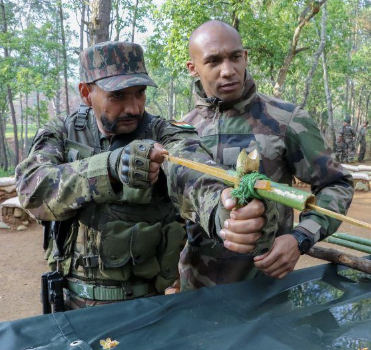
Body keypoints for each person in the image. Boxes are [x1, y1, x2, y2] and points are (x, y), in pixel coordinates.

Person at [15, 41, 276, 310]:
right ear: (86, 93)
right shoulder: (62, 132)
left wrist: (225, 210)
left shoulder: (166, 134)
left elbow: (193, 173)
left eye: (139, 93)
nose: (134, 108)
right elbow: (31, 191)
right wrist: (109, 169)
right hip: (68, 303)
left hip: (142, 306)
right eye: (118, 96)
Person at [180, 20, 353, 291]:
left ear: (245, 56)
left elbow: (337, 184)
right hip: (196, 291)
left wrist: (300, 238)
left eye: (235, 57)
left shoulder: (287, 121)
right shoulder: (182, 132)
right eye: (213, 61)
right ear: (193, 68)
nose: (228, 71)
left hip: (265, 289)